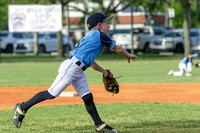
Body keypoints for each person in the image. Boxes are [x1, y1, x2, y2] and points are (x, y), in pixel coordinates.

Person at [13, 12, 138, 133]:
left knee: (87, 97)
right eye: (106, 23)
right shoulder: (98, 35)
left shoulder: (91, 37)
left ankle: (99, 126)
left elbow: (90, 62)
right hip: (71, 68)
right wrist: (128, 55)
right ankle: (22, 107)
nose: (109, 26)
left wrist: (105, 72)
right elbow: (118, 48)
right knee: (52, 93)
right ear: (99, 25)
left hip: (77, 69)